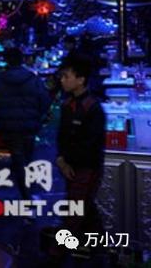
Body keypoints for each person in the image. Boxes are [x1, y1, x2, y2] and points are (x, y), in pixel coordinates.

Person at [53, 54, 105, 254]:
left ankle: (56, 256)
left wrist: (66, 161)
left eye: (67, 76)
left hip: (86, 167)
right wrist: (61, 159)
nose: (62, 80)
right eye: (62, 76)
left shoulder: (93, 108)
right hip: (70, 166)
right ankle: (98, 250)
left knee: (74, 213)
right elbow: (62, 136)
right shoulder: (68, 105)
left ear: (81, 79)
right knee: (84, 208)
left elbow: (90, 145)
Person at [0, 48, 52, 199]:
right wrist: (38, 116)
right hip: (30, 124)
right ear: (22, 60)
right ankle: (27, 190)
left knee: (17, 157)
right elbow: (45, 100)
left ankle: (25, 191)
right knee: (27, 155)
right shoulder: (33, 79)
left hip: (9, 126)